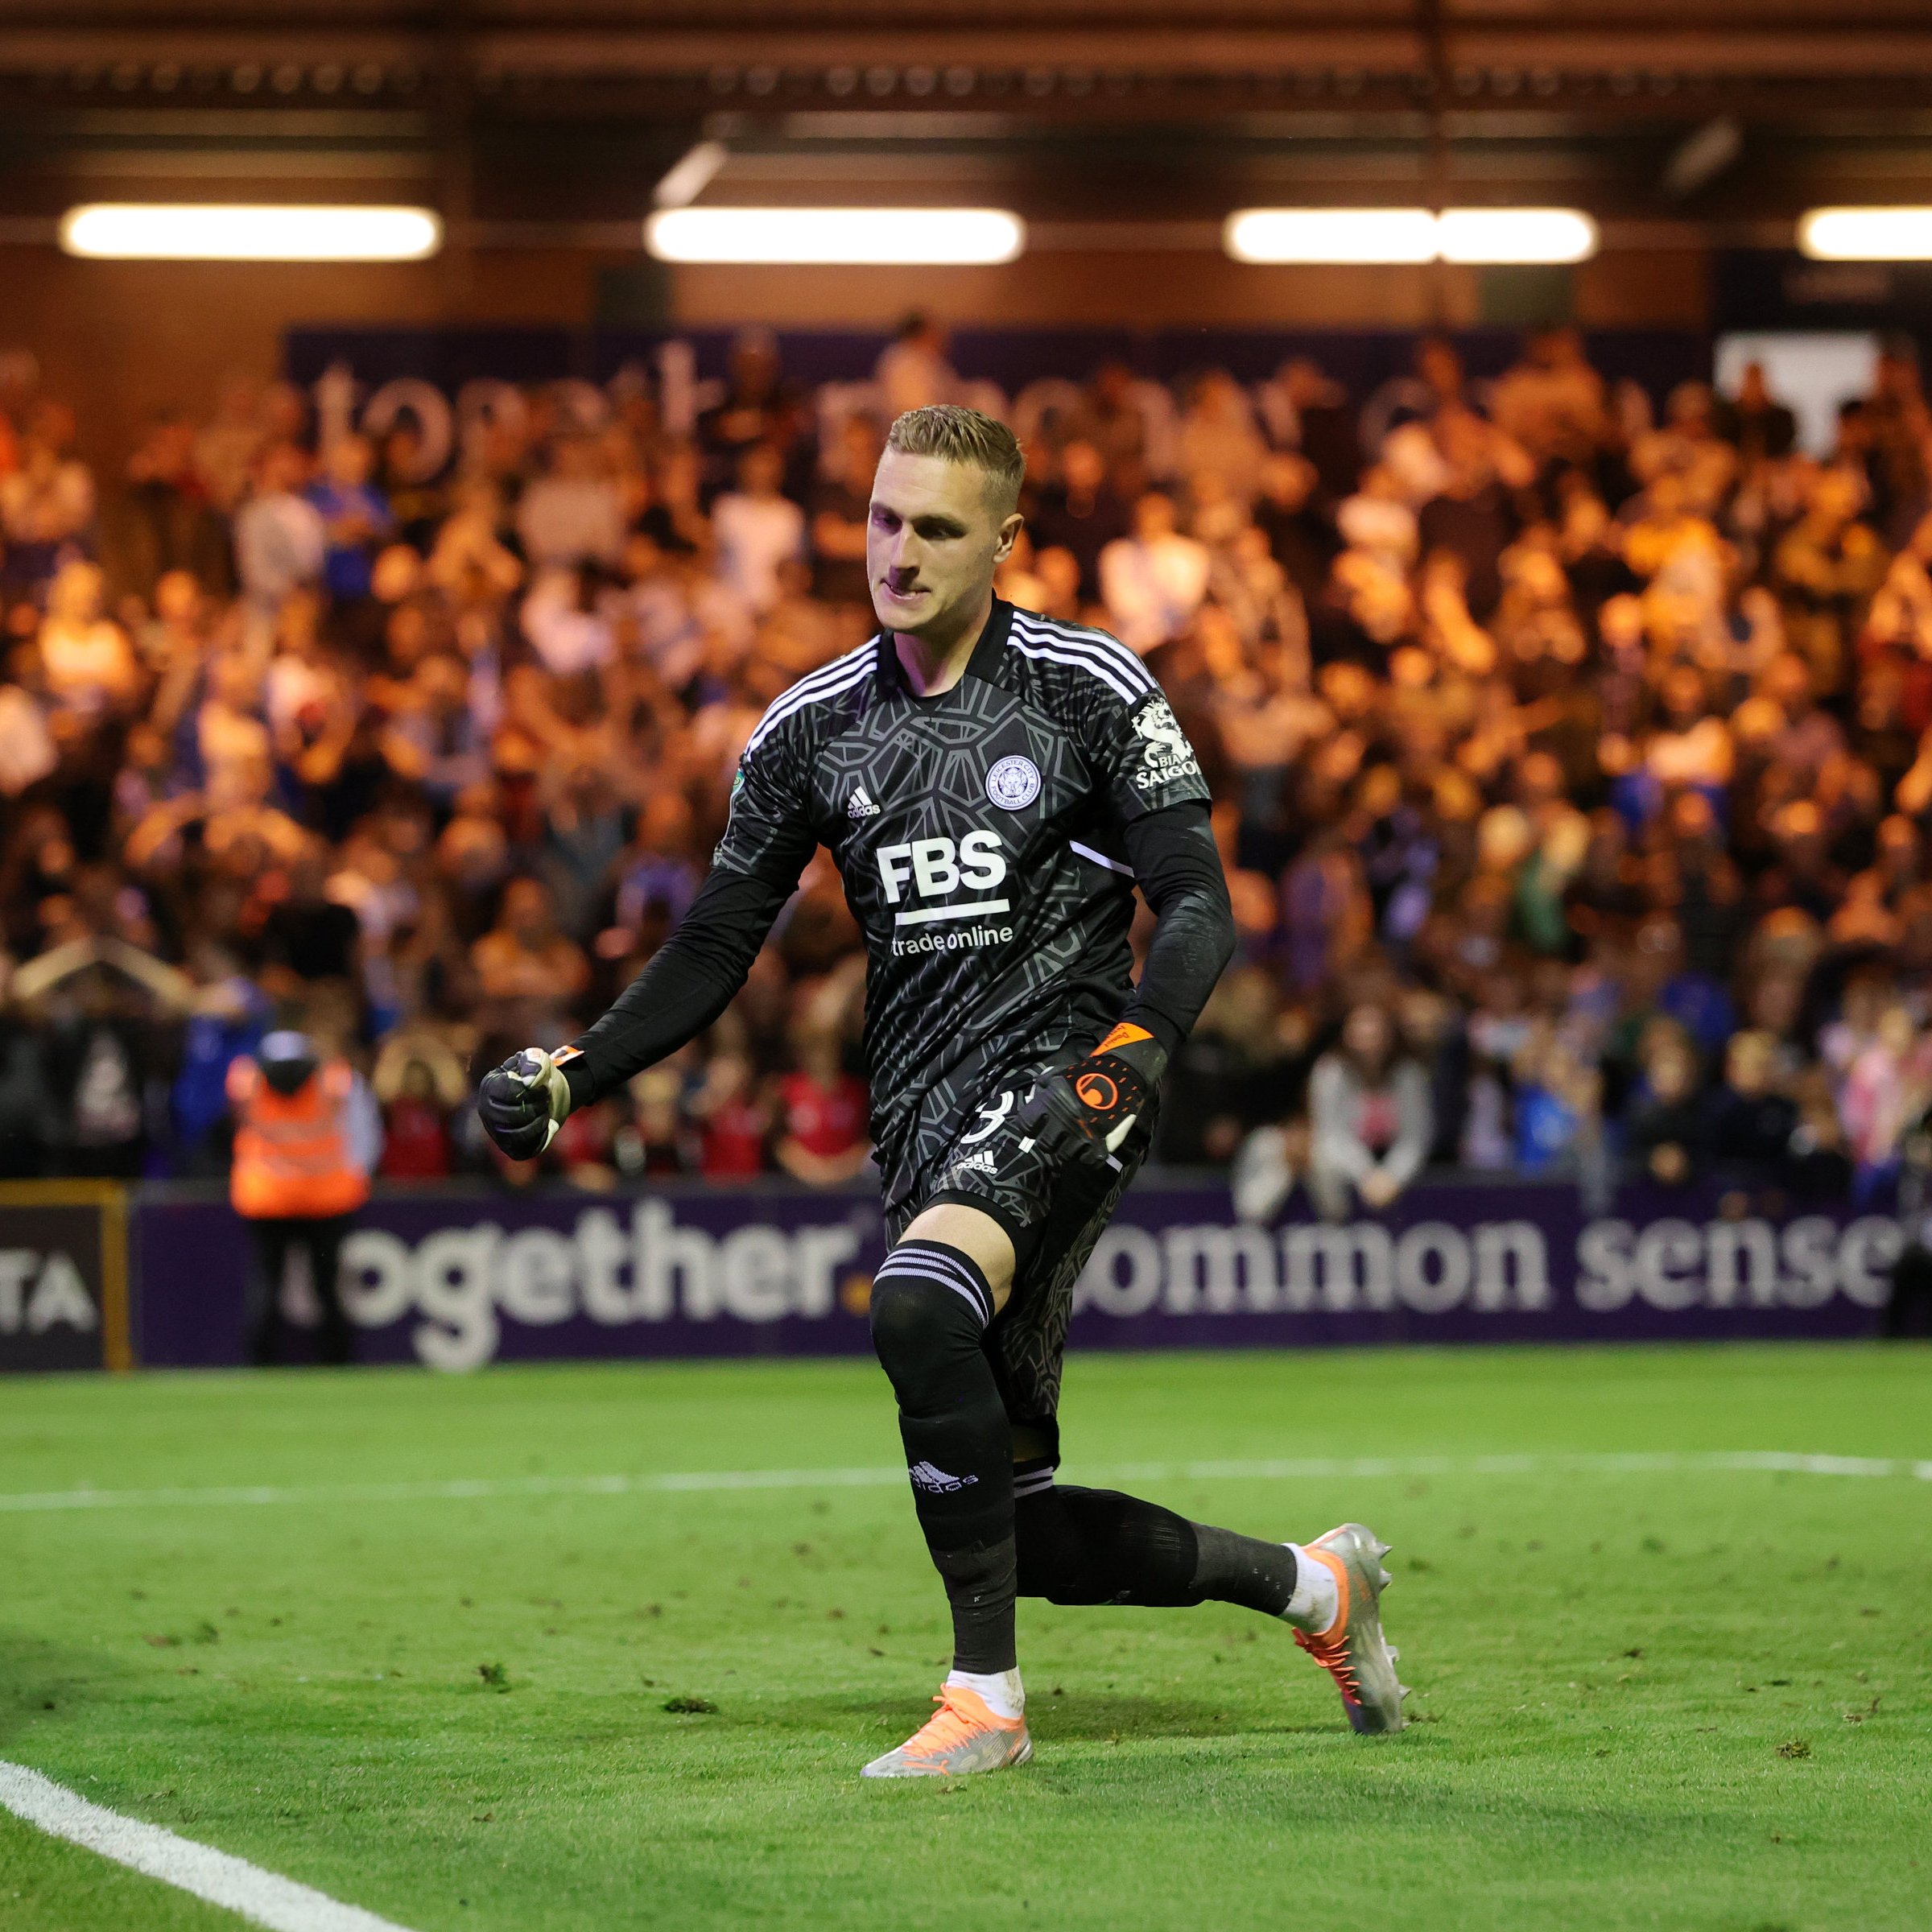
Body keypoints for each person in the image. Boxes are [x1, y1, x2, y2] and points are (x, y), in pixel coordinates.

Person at [477, 403, 1410, 1779]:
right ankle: (1317, 1590)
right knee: (1013, 1519)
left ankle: (986, 1706)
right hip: (920, 1115)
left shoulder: (1089, 686)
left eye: (935, 528)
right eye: (881, 518)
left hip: (1072, 1083)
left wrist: (1135, 1049)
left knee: (915, 1304)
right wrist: (575, 1073)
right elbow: (716, 944)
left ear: (1002, 545)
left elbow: (1199, 902)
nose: (898, 551)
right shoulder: (809, 730)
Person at [225, 1029, 378, 1365]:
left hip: (266, 1197)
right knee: (328, 1286)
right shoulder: (333, 1079)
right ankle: (338, 1361)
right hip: (325, 1196)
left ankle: (259, 1363)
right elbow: (362, 1131)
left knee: (266, 1282)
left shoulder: (248, 1081)